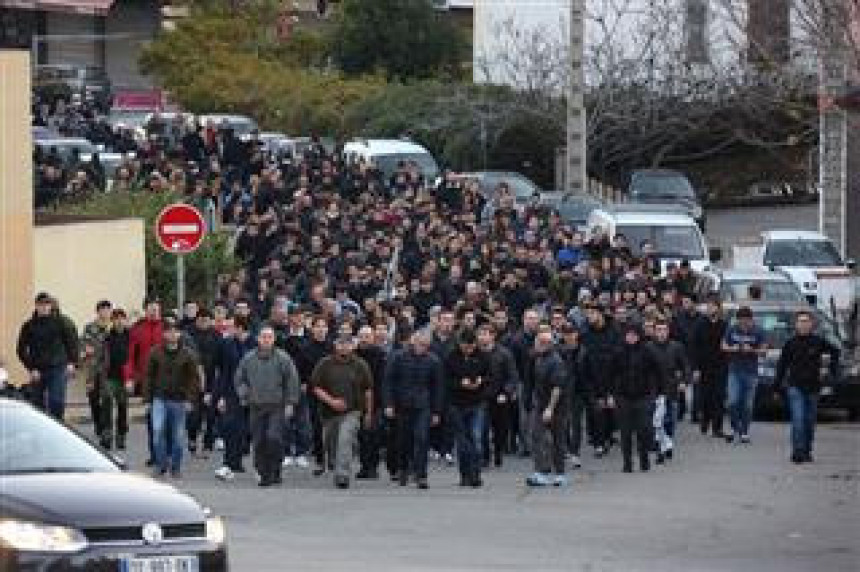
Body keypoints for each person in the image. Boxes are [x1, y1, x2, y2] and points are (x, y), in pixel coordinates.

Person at [234, 324, 301, 487]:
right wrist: (245, 394)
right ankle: (264, 473)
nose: (266, 340)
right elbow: (239, 379)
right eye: (263, 336)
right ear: (258, 339)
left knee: (274, 438)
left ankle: (274, 469)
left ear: (274, 339)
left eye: (269, 337)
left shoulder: (283, 358)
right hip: (256, 406)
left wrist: (291, 403)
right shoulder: (248, 358)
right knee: (259, 441)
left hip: (277, 406)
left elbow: (292, 380)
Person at [382, 329, 445, 490]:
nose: (422, 348)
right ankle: (403, 469)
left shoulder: (433, 361)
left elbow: (438, 388)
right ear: (412, 341)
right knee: (403, 440)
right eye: (419, 344)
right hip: (402, 404)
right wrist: (388, 404)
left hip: (423, 406)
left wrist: (437, 412)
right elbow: (388, 382)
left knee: (422, 439)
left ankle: (421, 475)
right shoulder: (397, 357)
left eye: (425, 345)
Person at [775, 310, 840, 464]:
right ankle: (797, 451)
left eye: (806, 321)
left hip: (813, 387)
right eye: (800, 322)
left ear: (811, 325)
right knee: (798, 419)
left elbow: (835, 351)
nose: (803, 324)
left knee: (809, 421)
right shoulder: (790, 344)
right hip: (795, 387)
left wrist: (832, 370)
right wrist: (776, 387)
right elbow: (781, 366)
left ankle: (807, 449)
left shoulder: (818, 341)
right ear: (796, 325)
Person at [310, 334, 373, 488]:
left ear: (353, 346)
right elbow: (316, 388)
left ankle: (342, 475)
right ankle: (334, 463)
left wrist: (368, 413)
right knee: (332, 444)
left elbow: (368, 390)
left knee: (345, 438)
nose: (344, 347)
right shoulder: (324, 364)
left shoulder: (361, 365)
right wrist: (331, 401)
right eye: (341, 344)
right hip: (329, 413)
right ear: (335, 346)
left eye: (348, 344)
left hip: (353, 411)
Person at [144, 318, 201, 479]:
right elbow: (148, 376)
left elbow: (194, 379)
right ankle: (161, 465)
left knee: (177, 436)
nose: (172, 334)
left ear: (180, 334)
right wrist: (147, 399)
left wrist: (190, 399)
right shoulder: (155, 352)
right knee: (157, 432)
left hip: (180, 400)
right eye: (169, 331)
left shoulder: (188, 354)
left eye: (176, 331)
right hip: (159, 398)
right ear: (164, 334)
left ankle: (175, 467)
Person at [16, 292, 79, 419]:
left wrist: (72, 363)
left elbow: (72, 343)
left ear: (51, 305)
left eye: (47, 304)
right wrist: (31, 368)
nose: (44, 307)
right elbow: (21, 349)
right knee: (37, 404)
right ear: (36, 306)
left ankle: (57, 428)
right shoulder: (28, 325)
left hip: (58, 369)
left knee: (56, 402)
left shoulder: (61, 322)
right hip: (37, 370)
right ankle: (41, 432)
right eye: (41, 304)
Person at [445, 329, 492, 487]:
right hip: (456, 403)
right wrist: (460, 383)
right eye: (466, 347)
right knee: (462, 441)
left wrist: (481, 380)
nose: (469, 350)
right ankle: (464, 474)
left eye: (471, 347)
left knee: (476, 438)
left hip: (477, 402)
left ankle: (476, 474)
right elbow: (446, 380)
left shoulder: (483, 356)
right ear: (460, 344)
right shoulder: (451, 357)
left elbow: (490, 377)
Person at [612, 324, 662, 473]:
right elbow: (610, 374)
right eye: (628, 335)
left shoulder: (647, 352)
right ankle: (627, 463)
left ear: (639, 336)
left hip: (643, 396)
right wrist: (610, 394)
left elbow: (657, 372)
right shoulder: (618, 352)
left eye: (634, 335)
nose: (631, 338)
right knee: (625, 432)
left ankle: (644, 459)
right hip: (623, 396)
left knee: (644, 429)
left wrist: (656, 393)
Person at [213, 316, 256, 481]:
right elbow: (222, 370)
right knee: (231, 427)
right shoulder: (226, 344)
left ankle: (241, 459)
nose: (226, 330)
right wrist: (221, 396)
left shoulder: (254, 344)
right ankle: (230, 462)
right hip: (231, 391)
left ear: (240, 328)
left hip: (252, 392)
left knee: (247, 429)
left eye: (230, 327)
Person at [525, 328, 569, 487]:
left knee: (558, 440)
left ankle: (560, 474)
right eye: (536, 341)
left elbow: (557, 387)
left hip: (556, 406)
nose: (535, 345)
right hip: (540, 404)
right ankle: (541, 472)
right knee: (536, 436)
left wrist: (550, 408)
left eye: (538, 342)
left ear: (547, 344)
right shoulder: (539, 358)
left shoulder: (555, 361)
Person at [722, 306, 767, 444]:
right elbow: (723, 346)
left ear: (751, 320)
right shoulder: (732, 329)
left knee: (747, 405)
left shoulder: (759, 331)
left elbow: (764, 351)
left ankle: (745, 431)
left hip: (751, 372)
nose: (743, 324)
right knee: (732, 402)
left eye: (745, 321)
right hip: (734, 371)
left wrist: (752, 350)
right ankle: (735, 427)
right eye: (740, 321)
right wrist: (733, 348)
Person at [477, 323, 519, 468]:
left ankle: (498, 451)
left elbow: (512, 376)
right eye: (480, 334)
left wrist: (506, 392)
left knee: (500, 429)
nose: (482, 337)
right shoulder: (475, 353)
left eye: (485, 334)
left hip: (499, 397)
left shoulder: (504, 354)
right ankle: (485, 457)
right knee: (482, 429)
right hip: (481, 397)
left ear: (493, 335)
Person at [649, 319, 691, 463]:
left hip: (671, 389)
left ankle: (668, 444)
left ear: (668, 331)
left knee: (670, 421)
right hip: (653, 390)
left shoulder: (676, 347)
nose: (661, 333)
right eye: (658, 330)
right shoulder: (648, 347)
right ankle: (661, 449)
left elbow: (685, 365)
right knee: (657, 421)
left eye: (664, 330)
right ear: (654, 331)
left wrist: (684, 382)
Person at [129, 298, 164, 466]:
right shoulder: (137, 329)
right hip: (147, 381)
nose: (153, 311)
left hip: (169, 380)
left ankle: (167, 452)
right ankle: (155, 453)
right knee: (152, 419)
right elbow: (130, 355)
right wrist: (131, 377)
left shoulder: (167, 328)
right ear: (145, 310)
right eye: (150, 308)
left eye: (156, 309)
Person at [355, 325, 393, 480]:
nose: (364, 339)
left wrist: (384, 403)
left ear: (373, 338)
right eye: (362, 336)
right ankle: (364, 466)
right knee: (361, 436)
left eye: (367, 336)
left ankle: (372, 467)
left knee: (373, 435)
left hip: (376, 401)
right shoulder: (353, 354)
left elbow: (383, 381)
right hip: (357, 401)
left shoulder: (380, 355)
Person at [558, 322, 593, 470]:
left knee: (576, 423)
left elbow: (590, 373)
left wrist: (590, 392)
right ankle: (566, 448)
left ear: (576, 334)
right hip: (562, 391)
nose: (568, 336)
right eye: (566, 334)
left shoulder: (584, 351)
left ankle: (575, 452)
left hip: (578, 392)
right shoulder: (558, 351)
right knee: (564, 423)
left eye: (571, 333)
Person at [693, 297, 729, 438]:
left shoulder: (724, 325)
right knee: (706, 397)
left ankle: (717, 427)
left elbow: (727, 344)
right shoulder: (700, 324)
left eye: (713, 306)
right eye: (708, 306)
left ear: (719, 309)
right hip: (704, 366)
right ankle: (705, 420)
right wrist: (695, 368)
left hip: (720, 366)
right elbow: (694, 346)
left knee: (719, 397)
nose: (710, 309)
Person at [99, 308, 131, 450]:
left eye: (121, 318)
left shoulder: (131, 336)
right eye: (116, 318)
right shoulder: (106, 337)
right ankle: (106, 435)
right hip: (109, 376)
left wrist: (132, 377)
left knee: (123, 407)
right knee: (106, 404)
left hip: (125, 377)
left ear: (125, 320)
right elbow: (99, 357)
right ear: (112, 321)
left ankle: (121, 436)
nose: (119, 321)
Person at [81, 300, 112, 439]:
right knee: (93, 397)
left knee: (106, 398)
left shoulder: (113, 328)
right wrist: (85, 350)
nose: (105, 312)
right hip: (92, 369)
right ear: (98, 311)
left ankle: (106, 427)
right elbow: (83, 344)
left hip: (108, 369)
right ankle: (98, 424)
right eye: (103, 310)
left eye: (107, 310)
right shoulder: (89, 327)